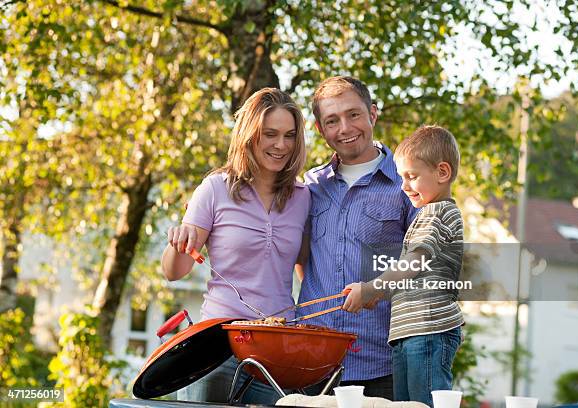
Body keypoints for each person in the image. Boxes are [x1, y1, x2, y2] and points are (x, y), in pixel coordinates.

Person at [162, 88, 310, 404]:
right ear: (249, 135)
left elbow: (306, 270)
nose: (281, 145)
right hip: (216, 348)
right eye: (270, 134)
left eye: (289, 135)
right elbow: (175, 271)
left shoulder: (303, 197)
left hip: (277, 350)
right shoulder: (216, 189)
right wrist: (178, 240)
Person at [296, 76, 418, 400]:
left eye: (353, 114)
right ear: (321, 130)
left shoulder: (408, 186)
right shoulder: (311, 186)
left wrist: (378, 287)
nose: (345, 127)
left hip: (380, 366)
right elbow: (303, 259)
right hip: (311, 364)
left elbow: (426, 261)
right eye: (332, 121)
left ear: (373, 114)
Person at [343, 125, 464, 406]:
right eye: (401, 178)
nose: (404, 186)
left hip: (428, 330)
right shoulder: (426, 215)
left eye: (412, 177)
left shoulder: (438, 213)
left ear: (442, 173)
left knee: (424, 403)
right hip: (408, 331)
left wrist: (372, 289)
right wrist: (383, 293)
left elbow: (412, 263)